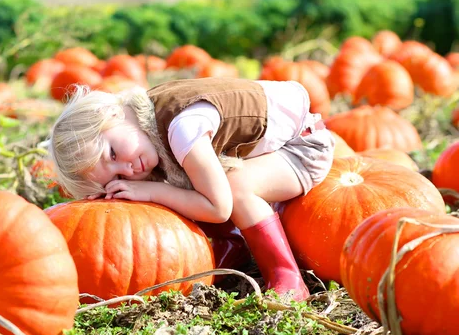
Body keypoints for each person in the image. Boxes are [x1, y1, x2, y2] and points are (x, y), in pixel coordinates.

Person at [49, 77, 334, 302]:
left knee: (234, 189)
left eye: (112, 154)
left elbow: (219, 208)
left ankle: (286, 276)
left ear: (110, 113)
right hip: (261, 152)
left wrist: (151, 193)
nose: (129, 170)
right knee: (199, 182)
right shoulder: (143, 124)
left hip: (303, 146)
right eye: (117, 175)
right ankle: (233, 246)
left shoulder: (183, 128)